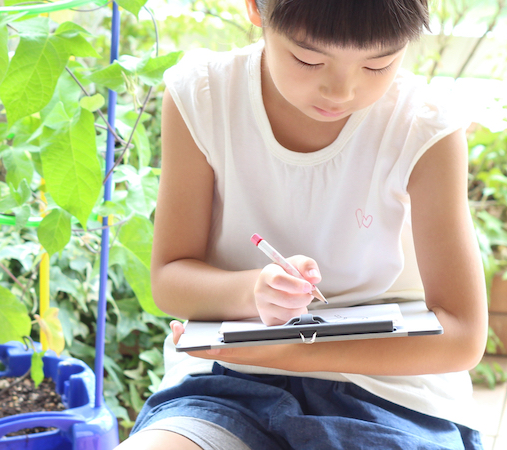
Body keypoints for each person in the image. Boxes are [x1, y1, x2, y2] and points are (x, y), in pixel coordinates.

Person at [117, 0, 488, 449]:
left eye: (378, 64)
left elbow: (463, 336)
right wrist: (253, 290)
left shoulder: (424, 126)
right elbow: (170, 278)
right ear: (256, 9)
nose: (340, 91)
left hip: (390, 397)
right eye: (309, 59)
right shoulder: (204, 95)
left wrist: (283, 350)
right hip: (228, 384)